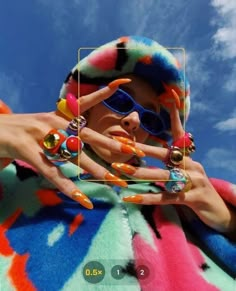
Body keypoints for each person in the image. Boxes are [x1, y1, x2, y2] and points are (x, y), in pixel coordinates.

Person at [0, 36, 235, 291]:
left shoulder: (183, 194)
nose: (133, 119)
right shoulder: (18, 167)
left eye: (151, 119)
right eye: (120, 100)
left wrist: (228, 222)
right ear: (85, 106)